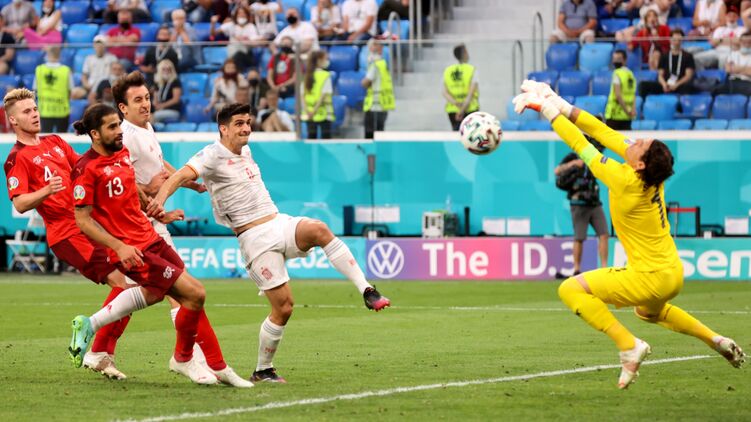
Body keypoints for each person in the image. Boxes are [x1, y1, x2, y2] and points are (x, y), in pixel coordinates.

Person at [513, 80, 746, 389]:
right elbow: (601, 131)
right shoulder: (649, 173)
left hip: (648, 276)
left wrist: (545, 108)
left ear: (639, 164)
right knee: (647, 312)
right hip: (672, 273)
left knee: (570, 289)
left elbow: (580, 143)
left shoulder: (624, 179)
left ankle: (628, 345)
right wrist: (556, 99)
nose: (634, 141)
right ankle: (715, 339)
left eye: (640, 144)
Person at [150, 102, 391, 383]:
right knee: (284, 307)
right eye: (239, 124)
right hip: (254, 240)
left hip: (277, 222)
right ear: (223, 129)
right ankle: (263, 369)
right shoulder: (211, 155)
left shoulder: (246, 151)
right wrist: (159, 201)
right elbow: (179, 175)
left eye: (248, 123)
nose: (246, 128)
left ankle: (366, 289)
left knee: (319, 229)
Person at [69, 103, 251, 387]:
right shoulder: (85, 169)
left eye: (118, 125)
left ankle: (90, 324)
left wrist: (158, 212)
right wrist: (119, 247)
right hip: (132, 249)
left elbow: (133, 191)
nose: (119, 131)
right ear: (95, 133)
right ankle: (191, 359)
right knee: (194, 294)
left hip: (150, 236)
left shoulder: (121, 153)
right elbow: (83, 220)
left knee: (155, 294)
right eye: (112, 127)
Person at [3, 88, 134, 380]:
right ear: (13, 120)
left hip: (88, 224)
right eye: (26, 111)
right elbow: (20, 203)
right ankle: (98, 350)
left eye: (35, 108)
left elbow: (83, 168)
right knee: (124, 286)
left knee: (133, 286)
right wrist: (45, 191)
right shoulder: (16, 158)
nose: (34, 114)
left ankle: (100, 351)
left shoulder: (55, 142)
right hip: (67, 234)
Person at [554, 138, 609, 277]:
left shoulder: (596, 157)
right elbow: (557, 171)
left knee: (604, 234)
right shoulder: (573, 156)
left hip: (594, 202)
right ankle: (577, 269)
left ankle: (604, 268)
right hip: (578, 203)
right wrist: (573, 164)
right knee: (579, 237)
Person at [638, 29, 695, 97]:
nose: (677, 42)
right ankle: (643, 102)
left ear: (682, 41)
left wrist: (676, 85)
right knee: (643, 85)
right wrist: (664, 84)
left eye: (679, 40)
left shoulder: (688, 56)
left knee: (688, 87)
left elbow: (688, 76)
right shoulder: (664, 55)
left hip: (680, 85)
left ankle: (681, 102)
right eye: (674, 40)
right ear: (670, 40)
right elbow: (660, 75)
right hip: (666, 84)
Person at [210, 6, 261, 72]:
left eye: (243, 13)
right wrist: (213, 24)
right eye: (239, 13)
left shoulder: (251, 27)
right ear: (236, 15)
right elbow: (213, 34)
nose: (241, 15)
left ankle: (226, 70)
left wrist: (244, 40)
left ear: (247, 15)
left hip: (247, 55)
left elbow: (255, 43)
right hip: (232, 54)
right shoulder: (231, 25)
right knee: (233, 57)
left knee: (238, 55)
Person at [34, 46, 73, 133]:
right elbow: (70, 91)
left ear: (47, 55)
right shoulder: (66, 70)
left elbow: (35, 90)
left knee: (45, 138)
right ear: (59, 55)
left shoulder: (39, 70)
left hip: (45, 110)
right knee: (61, 138)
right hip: (62, 110)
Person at [694, 5, 745, 70]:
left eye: (734, 16)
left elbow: (740, 43)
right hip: (717, 50)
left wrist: (720, 40)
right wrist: (730, 40)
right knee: (695, 58)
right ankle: (702, 75)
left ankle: (722, 76)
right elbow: (713, 43)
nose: (731, 18)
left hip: (732, 52)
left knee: (724, 60)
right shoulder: (719, 29)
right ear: (725, 17)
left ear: (737, 17)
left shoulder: (742, 29)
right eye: (729, 16)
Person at [361, 40, 395, 139]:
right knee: (380, 135)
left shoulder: (375, 65)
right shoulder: (383, 65)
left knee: (370, 136)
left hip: (374, 106)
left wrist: (362, 82)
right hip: (382, 105)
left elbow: (365, 83)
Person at [442, 44, 479, 131]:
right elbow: (470, 94)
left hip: (453, 110)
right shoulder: (472, 70)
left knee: (457, 135)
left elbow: (444, 92)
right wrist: (462, 110)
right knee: (471, 135)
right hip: (470, 109)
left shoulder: (448, 70)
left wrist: (456, 104)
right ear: (464, 53)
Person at [74, 35, 119, 101]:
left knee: (94, 96)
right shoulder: (89, 58)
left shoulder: (112, 58)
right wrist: (86, 85)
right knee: (75, 93)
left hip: (106, 86)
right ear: (94, 45)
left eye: (101, 44)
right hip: (91, 86)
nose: (99, 46)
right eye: (97, 44)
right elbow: (84, 75)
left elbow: (116, 74)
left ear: (105, 45)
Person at [302, 50, 334, 139]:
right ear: (319, 60)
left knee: (311, 139)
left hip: (309, 113)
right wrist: (314, 111)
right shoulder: (325, 75)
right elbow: (323, 96)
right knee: (326, 141)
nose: (327, 61)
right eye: (325, 59)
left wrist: (308, 111)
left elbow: (302, 96)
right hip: (324, 114)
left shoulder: (306, 75)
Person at [604, 49, 636, 131]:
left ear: (625, 60)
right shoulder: (630, 74)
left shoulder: (617, 73)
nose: (615, 61)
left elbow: (618, 95)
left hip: (615, 114)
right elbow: (633, 95)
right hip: (627, 116)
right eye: (614, 58)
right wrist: (632, 110)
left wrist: (626, 111)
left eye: (618, 59)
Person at [714, 30, 751, 95]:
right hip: (731, 81)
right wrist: (746, 69)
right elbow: (728, 69)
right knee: (715, 90)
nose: (746, 44)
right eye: (744, 42)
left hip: (747, 82)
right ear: (740, 42)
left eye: (749, 42)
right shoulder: (733, 54)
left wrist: (736, 68)